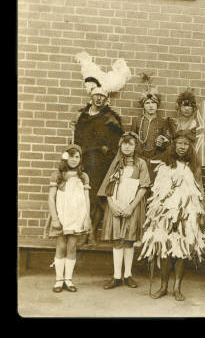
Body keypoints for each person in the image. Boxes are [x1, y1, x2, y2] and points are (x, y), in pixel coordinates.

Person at [138, 130, 205, 301]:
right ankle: (163, 287)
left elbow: (200, 191)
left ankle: (177, 288)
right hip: (166, 213)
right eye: (179, 144)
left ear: (190, 147)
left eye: (186, 144)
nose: (182, 147)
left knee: (181, 250)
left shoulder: (194, 167)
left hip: (187, 213)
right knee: (165, 248)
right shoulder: (165, 165)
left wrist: (202, 212)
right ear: (174, 145)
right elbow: (158, 191)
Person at [97, 132, 151, 290]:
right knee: (117, 240)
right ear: (120, 145)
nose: (127, 147)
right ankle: (116, 276)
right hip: (116, 205)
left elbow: (143, 187)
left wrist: (131, 207)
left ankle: (127, 275)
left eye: (131, 144)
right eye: (124, 144)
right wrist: (112, 205)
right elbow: (108, 186)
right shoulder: (116, 163)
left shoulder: (141, 164)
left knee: (128, 240)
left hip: (131, 206)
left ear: (136, 147)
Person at [74, 87, 123, 245]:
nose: (99, 99)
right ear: (91, 96)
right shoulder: (82, 116)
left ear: (106, 98)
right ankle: (84, 231)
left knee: (97, 197)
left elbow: (117, 140)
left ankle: (92, 232)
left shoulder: (110, 117)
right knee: (84, 197)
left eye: (102, 96)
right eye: (97, 95)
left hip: (101, 164)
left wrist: (107, 149)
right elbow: (76, 140)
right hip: (84, 162)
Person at [47, 144, 91, 293]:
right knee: (61, 246)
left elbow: (86, 199)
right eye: (71, 156)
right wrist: (54, 218)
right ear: (65, 157)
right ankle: (59, 280)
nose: (74, 159)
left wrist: (86, 218)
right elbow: (51, 198)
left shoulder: (83, 176)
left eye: (77, 156)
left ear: (80, 159)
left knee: (72, 246)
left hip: (77, 216)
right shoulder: (58, 175)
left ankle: (68, 279)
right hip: (62, 215)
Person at [130, 85, 168, 179]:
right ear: (143, 105)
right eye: (147, 103)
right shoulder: (137, 121)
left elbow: (167, 144)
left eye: (153, 103)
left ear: (157, 105)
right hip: (139, 158)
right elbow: (131, 140)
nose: (151, 105)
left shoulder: (163, 122)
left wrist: (162, 142)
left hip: (156, 159)